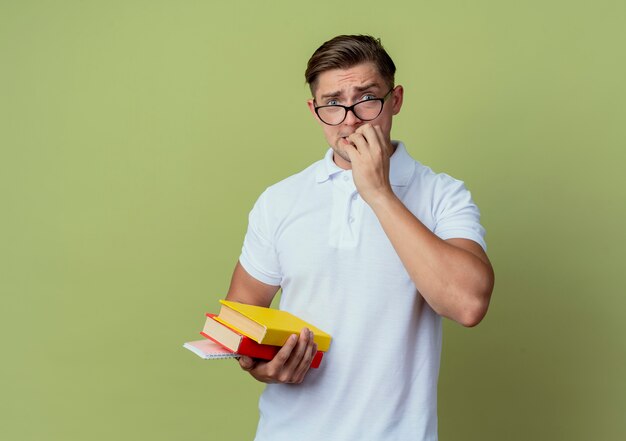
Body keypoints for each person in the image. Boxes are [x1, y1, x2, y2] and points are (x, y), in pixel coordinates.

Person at [225, 34, 494, 441]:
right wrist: (257, 364)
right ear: (315, 111)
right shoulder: (279, 200)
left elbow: (468, 304)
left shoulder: (442, 194)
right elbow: (241, 311)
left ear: (395, 100)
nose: (350, 119)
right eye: (333, 103)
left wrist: (378, 193)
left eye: (367, 98)